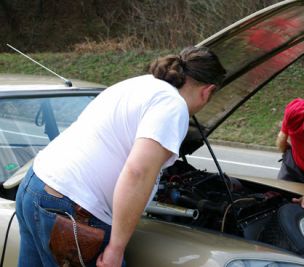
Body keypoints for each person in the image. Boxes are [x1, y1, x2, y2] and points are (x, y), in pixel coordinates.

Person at [15, 46, 226, 267]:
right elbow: (138, 173)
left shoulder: (143, 84)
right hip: (71, 208)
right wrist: (116, 247)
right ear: (208, 91)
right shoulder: (173, 106)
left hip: (37, 186)